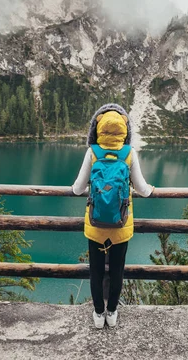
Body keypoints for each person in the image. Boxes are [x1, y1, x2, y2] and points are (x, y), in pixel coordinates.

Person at [71, 103, 154, 329]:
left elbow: (78, 189)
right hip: (121, 223)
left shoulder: (93, 153)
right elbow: (142, 188)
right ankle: (113, 313)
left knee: (96, 271)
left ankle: (98, 314)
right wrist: (151, 190)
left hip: (96, 224)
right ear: (125, 130)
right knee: (117, 271)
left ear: (97, 130)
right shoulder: (129, 153)